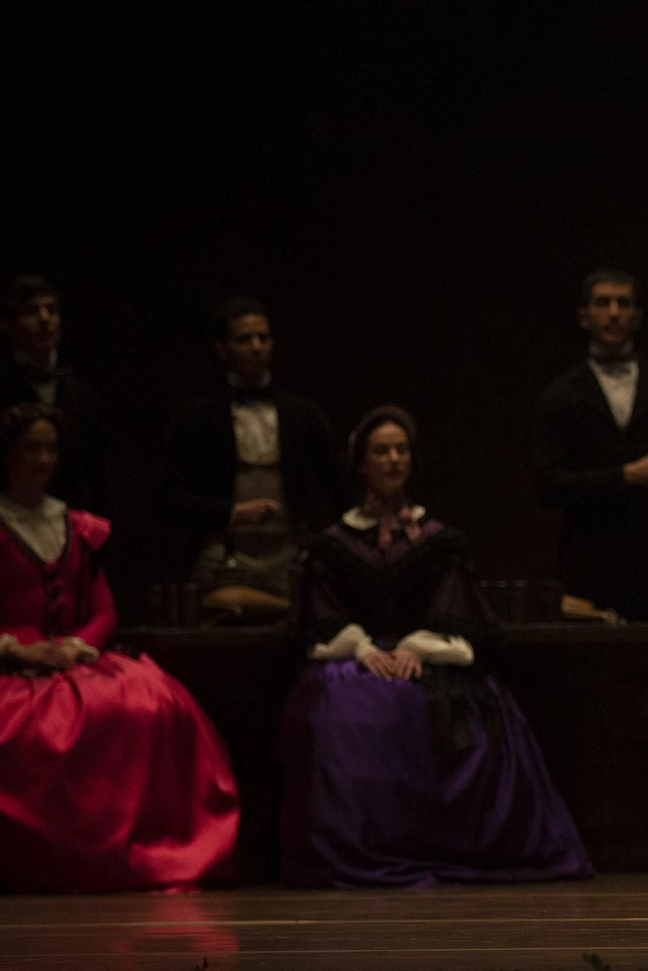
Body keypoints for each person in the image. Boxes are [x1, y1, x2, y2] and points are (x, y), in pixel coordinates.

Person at [278, 405, 593, 887]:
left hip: (429, 656)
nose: (392, 460)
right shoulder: (333, 544)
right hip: (357, 655)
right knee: (344, 706)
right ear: (361, 463)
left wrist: (420, 647)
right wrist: (361, 649)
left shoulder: (439, 540)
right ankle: (358, 844)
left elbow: (457, 610)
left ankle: (450, 841)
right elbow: (320, 618)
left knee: (441, 706)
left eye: (401, 450)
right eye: (380, 451)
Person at [0, 403, 239, 891]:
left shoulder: (77, 525)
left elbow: (105, 611)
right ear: (8, 454)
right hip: (12, 661)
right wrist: (19, 651)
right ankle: (54, 858)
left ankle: (143, 852)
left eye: (50, 447)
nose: (43, 458)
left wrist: (76, 646)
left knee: (154, 700)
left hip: (73, 654)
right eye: (32, 447)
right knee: (32, 727)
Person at [531, 269, 648, 620]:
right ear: (584, 317)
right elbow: (546, 486)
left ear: (637, 318)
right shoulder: (562, 393)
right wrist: (625, 476)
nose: (614, 312)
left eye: (624, 304)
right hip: (586, 559)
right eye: (603, 303)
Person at [156, 296, 347, 611]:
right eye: (244, 339)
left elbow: (340, 488)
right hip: (222, 559)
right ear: (222, 349)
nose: (257, 347)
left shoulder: (302, 415)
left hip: (288, 558)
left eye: (264, 337)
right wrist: (231, 513)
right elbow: (167, 499)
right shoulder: (197, 419)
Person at [0, 275, 107, 510]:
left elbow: (96, 475)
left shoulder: (84, 398)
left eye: (51, 310)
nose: (44, 318)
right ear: (7, 325)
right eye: (31, 311)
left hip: (71, 523)